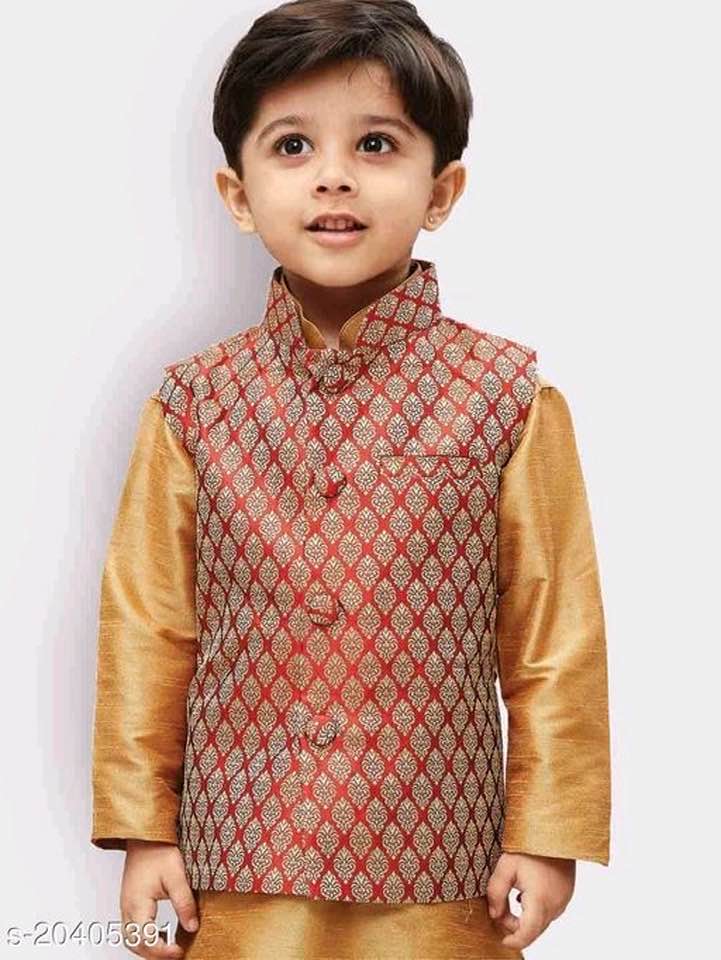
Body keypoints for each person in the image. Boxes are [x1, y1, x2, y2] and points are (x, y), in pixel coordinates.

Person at [90, 2, 611, 957]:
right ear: (237, 194)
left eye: (375, 143)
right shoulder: (193, 405)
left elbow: (554, 635)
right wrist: (143, 828)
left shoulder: (506, 396)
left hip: (442, 867)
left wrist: (548, 832)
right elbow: (148, 627)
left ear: (441, 189)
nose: (333, 175)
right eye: (292, 146)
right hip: (236, 856)